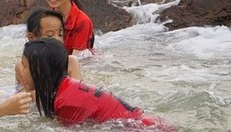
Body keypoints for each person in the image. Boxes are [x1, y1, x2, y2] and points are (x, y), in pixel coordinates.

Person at [20, 38, 175, 130]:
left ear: (40, 71)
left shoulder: (65, 103)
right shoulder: (67, 87)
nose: (21, 71)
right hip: (150, 123)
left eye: (25, 66)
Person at [14, 9, 81, 92]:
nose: (58, 39)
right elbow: (35, 96)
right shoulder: (23, 66)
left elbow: (78, 94)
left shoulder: (71, 62)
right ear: (31, 37)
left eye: (60, 34)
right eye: (49, 35)